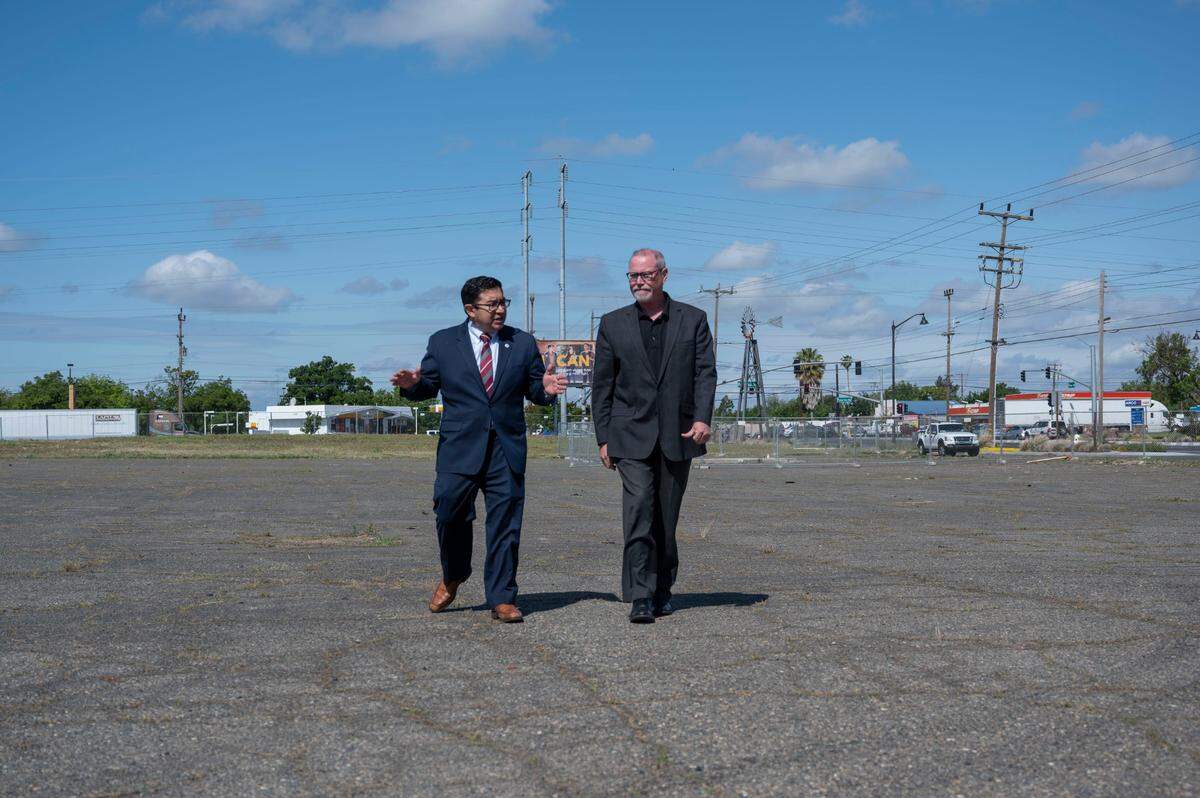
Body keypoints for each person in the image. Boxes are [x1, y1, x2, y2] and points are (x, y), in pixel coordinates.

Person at [392, 276, 567, 623]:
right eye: (492, 304)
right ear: (470, 310)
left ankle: (502, 597)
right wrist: (413, 385)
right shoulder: (443, 342)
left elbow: (535, 389)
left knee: (505, 524)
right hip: (460, 447)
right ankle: (454, 574)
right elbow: (428, 384)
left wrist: (545, 390)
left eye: (503, 302)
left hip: (506, 447)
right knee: (449, 512)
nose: (500, 309)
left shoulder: (522, 343)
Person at [591, 249, 716, 623]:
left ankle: (663, 589)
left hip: (679, 434)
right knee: (639, 511)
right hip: (629, 435)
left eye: (645, 274)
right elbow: (602, 384)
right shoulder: (613, 323)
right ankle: (640, 595)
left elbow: (705, 373)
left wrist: (702, 418)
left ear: (664, 275)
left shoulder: (693, 319)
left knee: (665, 518)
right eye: (633, 275)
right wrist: (603, 437)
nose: (638, 281)